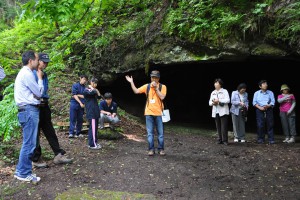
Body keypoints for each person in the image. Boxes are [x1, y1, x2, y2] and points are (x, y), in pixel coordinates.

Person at [31, 53, 73, 168]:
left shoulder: (45, 75)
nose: (45, 64)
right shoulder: (32, 74)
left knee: (50, 130)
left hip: (45, 105)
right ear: (38, 61)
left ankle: (58, 154)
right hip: (35, 106)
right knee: (35, 133)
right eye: (43, 62)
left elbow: (45, 90)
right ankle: (36, 158)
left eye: (47, 62)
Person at [13, 50, 43, 183]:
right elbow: (38, 92)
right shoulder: (27, 73)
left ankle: (22, 171)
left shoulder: (23, 73)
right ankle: (23, 173)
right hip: (29, 110)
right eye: (37, 59)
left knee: (28, 142)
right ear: (31, 61)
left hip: (26, 110)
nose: (38, 62)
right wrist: (40, 79)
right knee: (29, 143)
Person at [125, 70, 167, 156]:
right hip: (148, 113)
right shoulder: (147, 86)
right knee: (150, 133)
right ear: (151, 78)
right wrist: (131, 82)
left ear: (158, 78)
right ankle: (151, 149)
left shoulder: (163, 86)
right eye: (152, 77)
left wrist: (156, 88)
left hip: (159, 113)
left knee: (161, 133)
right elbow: (136, 91)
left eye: (156, 77)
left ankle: (161, 149)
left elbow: (162, 97)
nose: (154, 79)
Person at [253, 80, 275, 144]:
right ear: (260, 86)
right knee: (260, 125)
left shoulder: (270, 92)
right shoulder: (256, 93)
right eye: (264, 84)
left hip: (268, 109)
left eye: (266, 83)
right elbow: (254, 102)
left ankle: (271, 139)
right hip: (259, 109)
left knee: (270, 124)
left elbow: (273, 101)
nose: (266, 85)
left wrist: (268, 106)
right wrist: (260, 107)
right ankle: (260, 139)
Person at [209, 78, 230, 145]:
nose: (215, 84)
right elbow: (209, 102)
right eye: (215, 82)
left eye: (217, 82)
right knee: (218, 126)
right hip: (216, 111)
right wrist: (213, 103)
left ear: (220, 84)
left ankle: (225, 140)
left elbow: (228, 100)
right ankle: (219, 139)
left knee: (224, 126)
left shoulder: (224, 91)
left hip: (223, 111)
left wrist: (219, 101)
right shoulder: (213, 92)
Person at [83, 77, 102, 149]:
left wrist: (96, 90)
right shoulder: (86, 90)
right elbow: (93, 92)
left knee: (95, 128)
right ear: (91, 82)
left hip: (95, 112)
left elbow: (99, 97)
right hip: (91, 112)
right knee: (93, 128)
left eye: (96, 83)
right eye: (94, 83)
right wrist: (94, 89)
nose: (95, 85)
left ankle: (94, 142)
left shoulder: (93, 90)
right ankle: (93, 144)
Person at [69, 74, 88, 138]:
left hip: (82, 104)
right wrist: (80, 102)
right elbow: (74, 95)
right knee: (72, 118)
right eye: (84, 79)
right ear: (80, 78)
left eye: (86, 80)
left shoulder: (85, 88)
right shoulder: (75, 85)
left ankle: (78, 132)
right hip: (74, 103)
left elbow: (85, 96)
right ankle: (71, 133)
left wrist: (78, 95)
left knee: (80, 119)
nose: (84, 81)